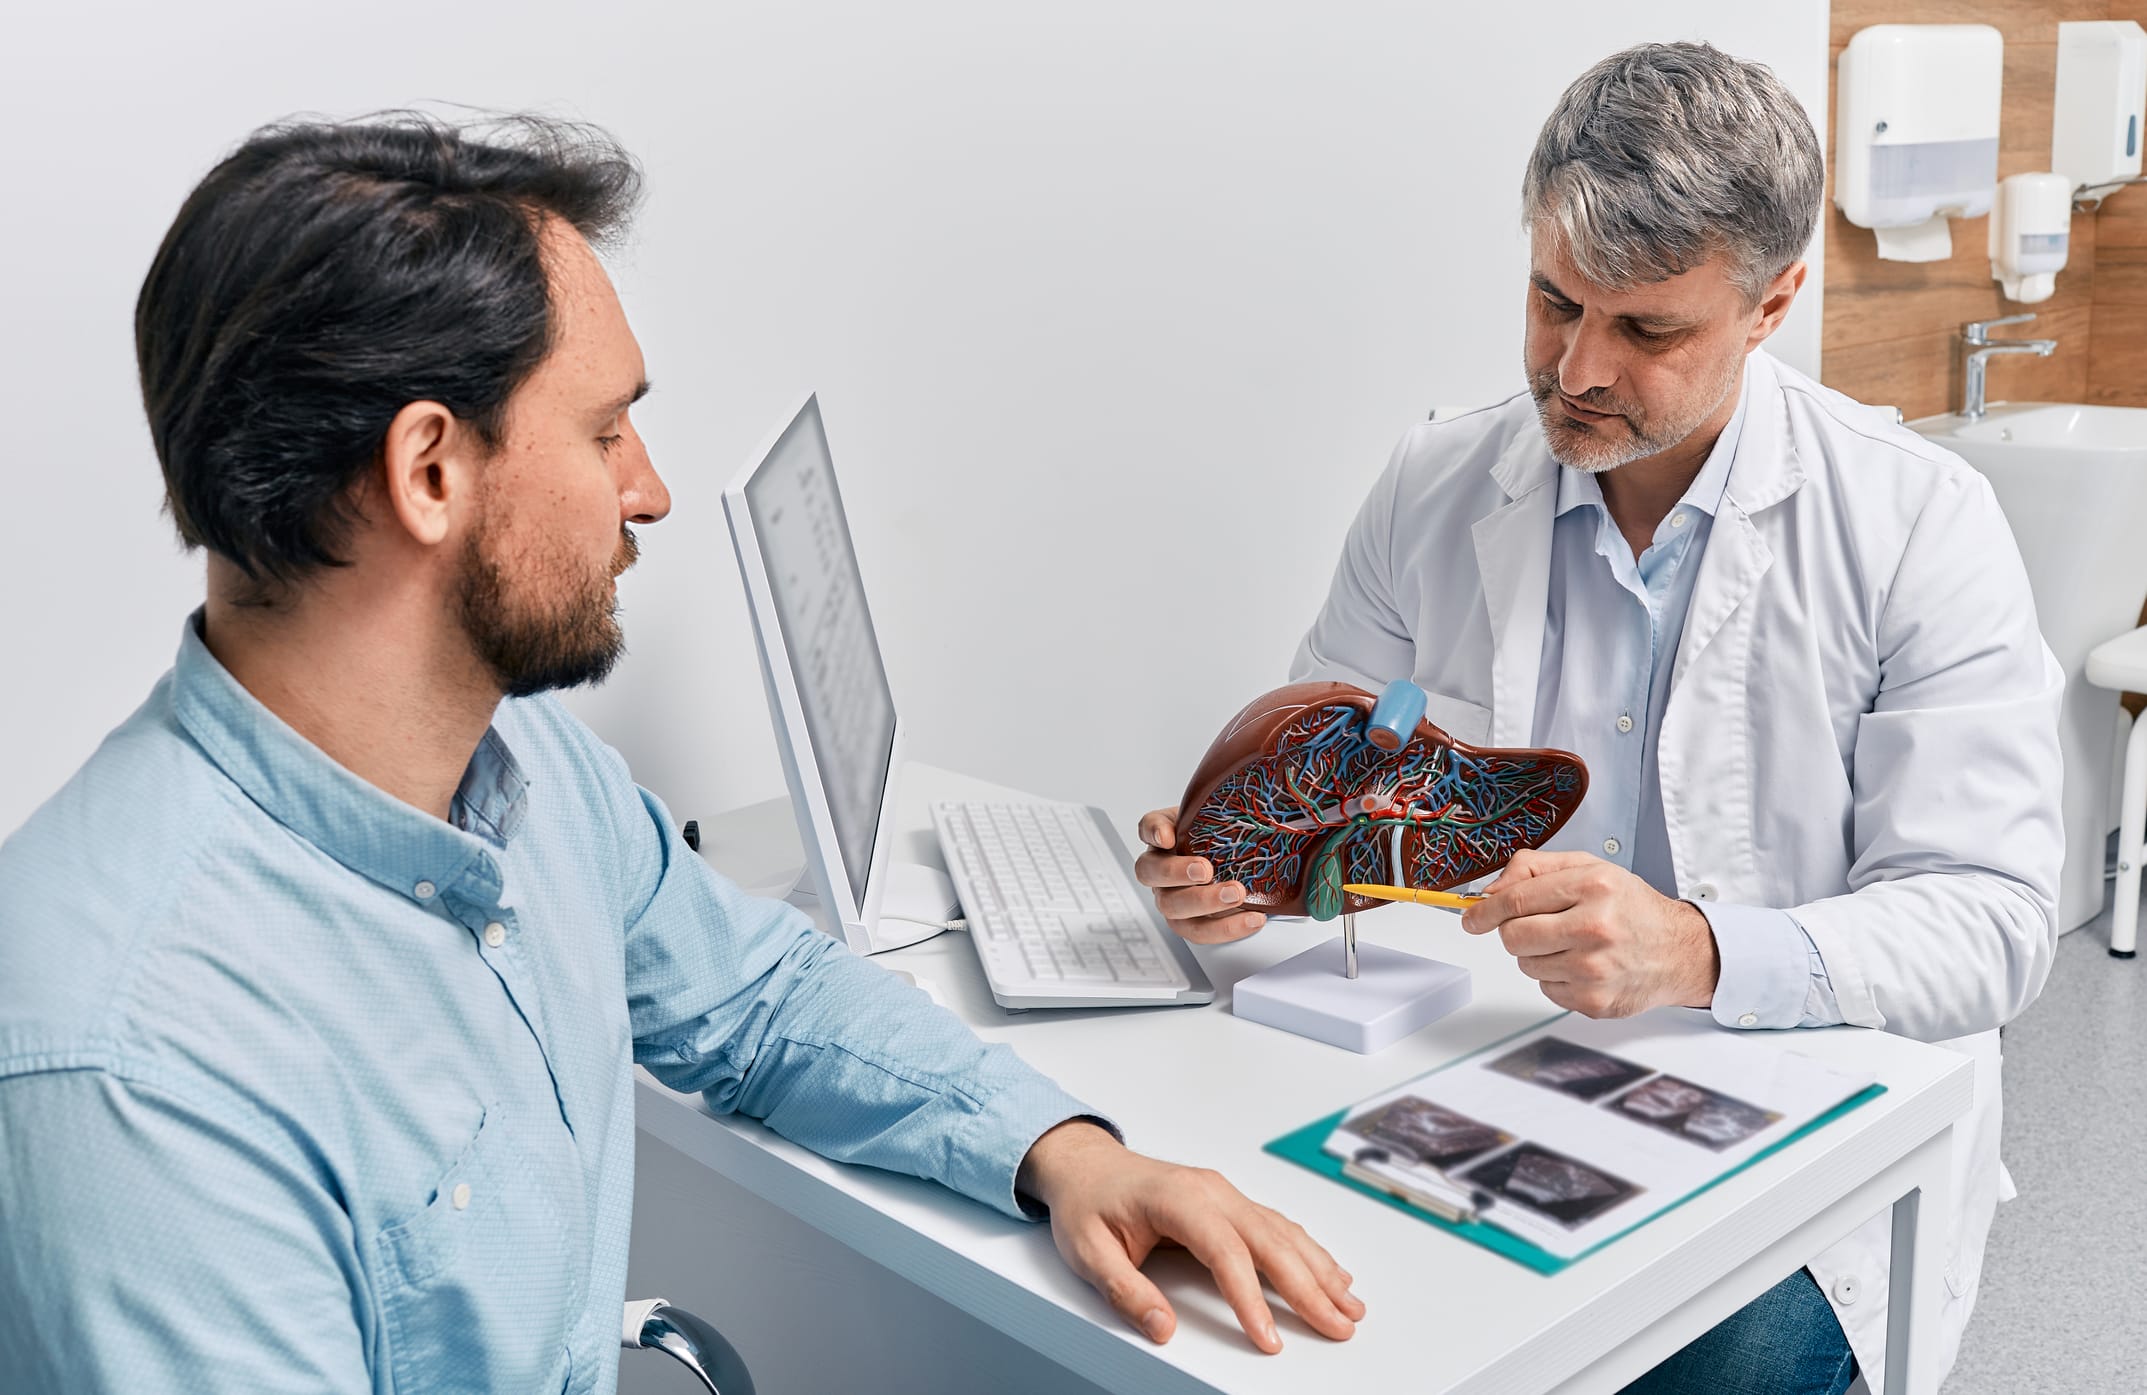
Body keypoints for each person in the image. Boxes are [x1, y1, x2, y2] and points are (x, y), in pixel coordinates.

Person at [0, 114, 1364, 1391]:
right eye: (603, 432)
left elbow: (757, 997)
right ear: (429, 473)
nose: (646, 488)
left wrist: (1062, 1155)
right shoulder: (132, 1069)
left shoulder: (520, 772)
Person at [1136, 42, 2062, 1395]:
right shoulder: (1436, 485)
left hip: (1797, 1134)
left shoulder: (1920, 525)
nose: (1572, 369)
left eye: (1645, 331)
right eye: (1552, 299)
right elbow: (1340, 768)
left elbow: (1989, 925)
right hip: (1474, 1071)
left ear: (1774, 302)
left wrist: (1694, 951)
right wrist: (1249, 876)